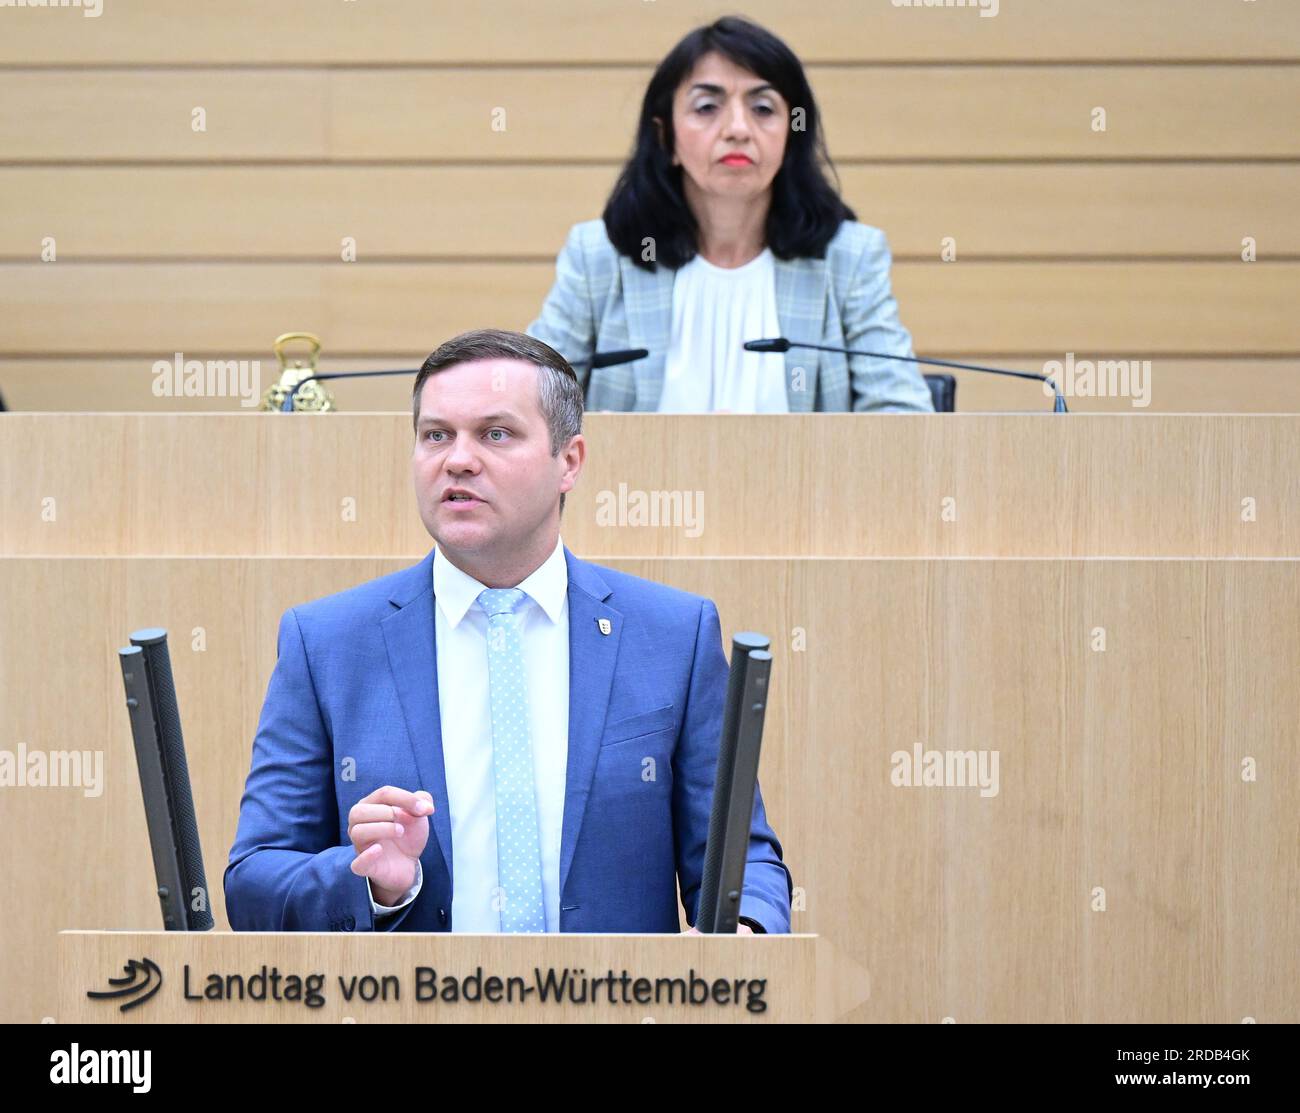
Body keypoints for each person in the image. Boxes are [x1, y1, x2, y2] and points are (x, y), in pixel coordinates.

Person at [224, 329, 793, 934]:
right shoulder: (327, 644)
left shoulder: (674, 635)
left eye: (496, 434)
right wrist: (370, 882)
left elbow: (741, 862)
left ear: (568, 461)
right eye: (436, 435)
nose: (458, 459)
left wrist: (746, 938)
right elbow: (254, 881)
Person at [527, 15, 933, 414]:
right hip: (633, 485)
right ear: (665, 136)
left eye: (762, 108)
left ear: (791, 135)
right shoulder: (599, 257)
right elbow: (529, 405)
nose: (738, 128)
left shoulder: (849, 260)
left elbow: (902, 415)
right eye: (707, 107)